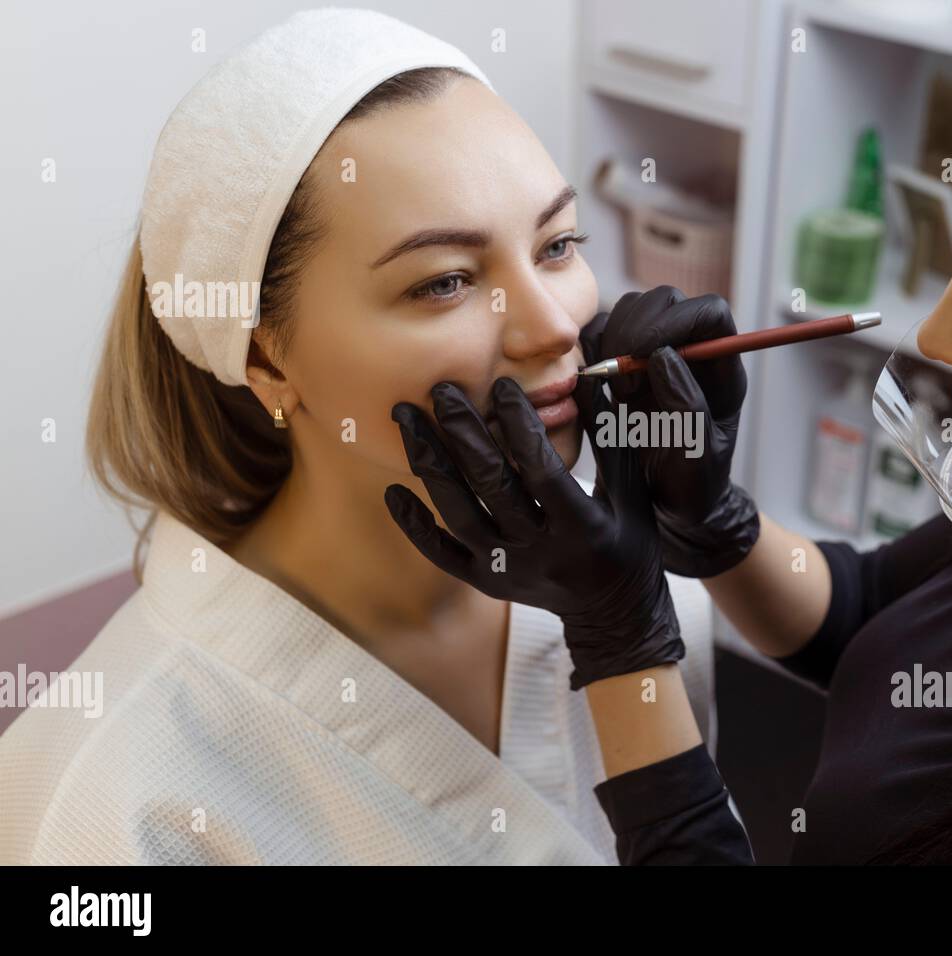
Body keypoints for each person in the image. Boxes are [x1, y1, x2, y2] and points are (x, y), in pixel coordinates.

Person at [388, 0, 952, 864]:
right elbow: (876, 615)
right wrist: (713, 525)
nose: (938, 340)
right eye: (441, 280)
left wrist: (622, 644)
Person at [0, 9, 717, 865]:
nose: (552, 326)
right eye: (445, 281)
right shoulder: (113, 805)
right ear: (264, 357)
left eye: (559, 244)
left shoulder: (647, 587)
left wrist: (715, 540)